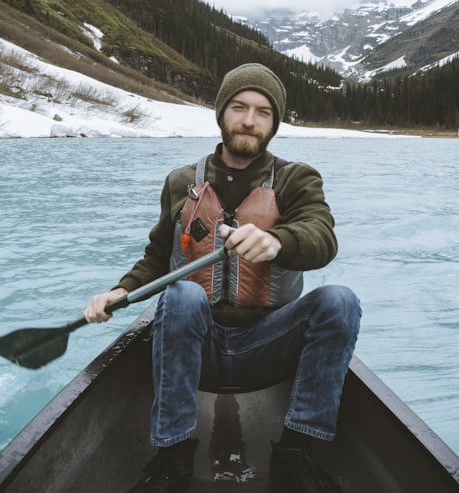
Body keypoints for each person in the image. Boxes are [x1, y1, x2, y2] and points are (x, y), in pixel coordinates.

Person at [84, 63, 361, 493]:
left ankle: (295, 453)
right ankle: (172, 455)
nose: (250, 120)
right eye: (239, 107)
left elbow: (321, 236)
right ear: (221, 113)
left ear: (274, 123)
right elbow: (159, 256)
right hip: (198, 346)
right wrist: (120, 291)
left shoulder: (296, 179)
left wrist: (278, 242)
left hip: (268, 346)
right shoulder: (180, 182)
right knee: (180, 296)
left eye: (263, 111)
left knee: (340, 301)